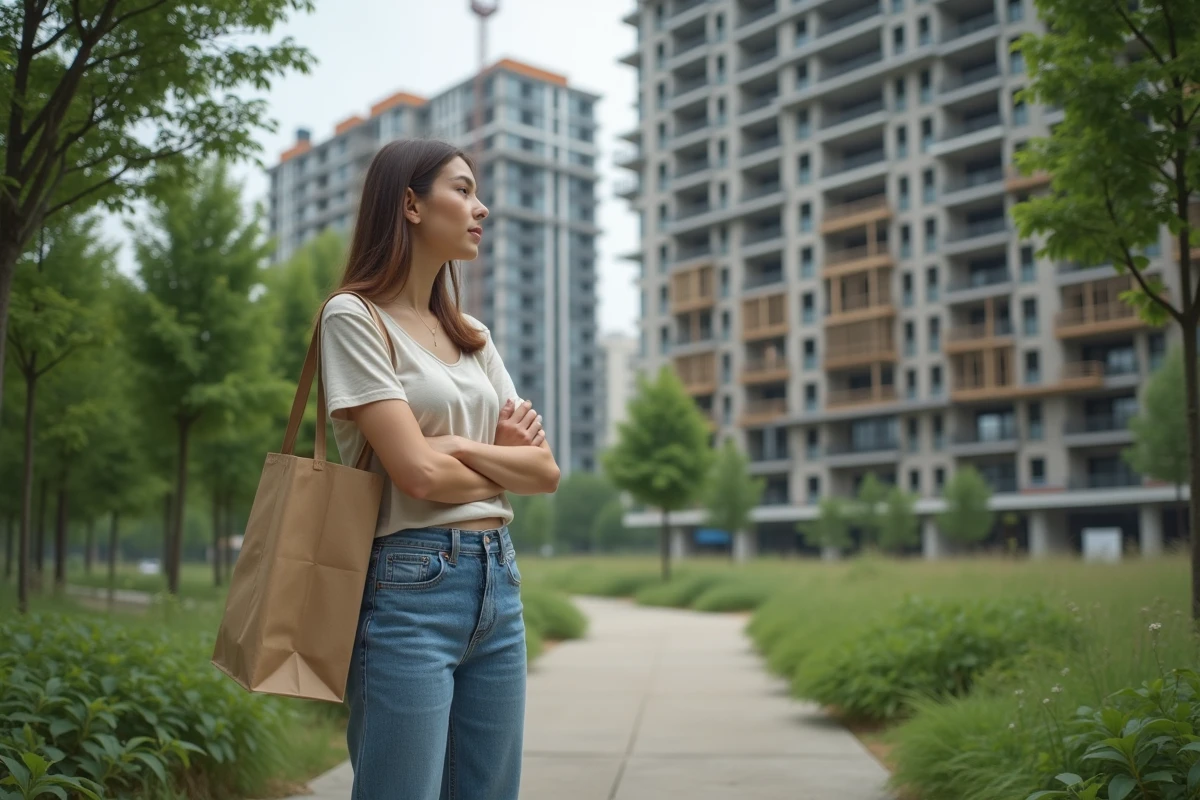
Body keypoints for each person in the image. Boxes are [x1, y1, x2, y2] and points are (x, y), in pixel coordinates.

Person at [317, 137, 561, 800]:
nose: (482, 208)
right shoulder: (354, 317)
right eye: (463, 189)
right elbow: (417, 478)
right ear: (411, 204)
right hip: (408, 587)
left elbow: (545, 472)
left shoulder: (470, 335)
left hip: (499, 582)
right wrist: (498, 459)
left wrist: (455, 447)